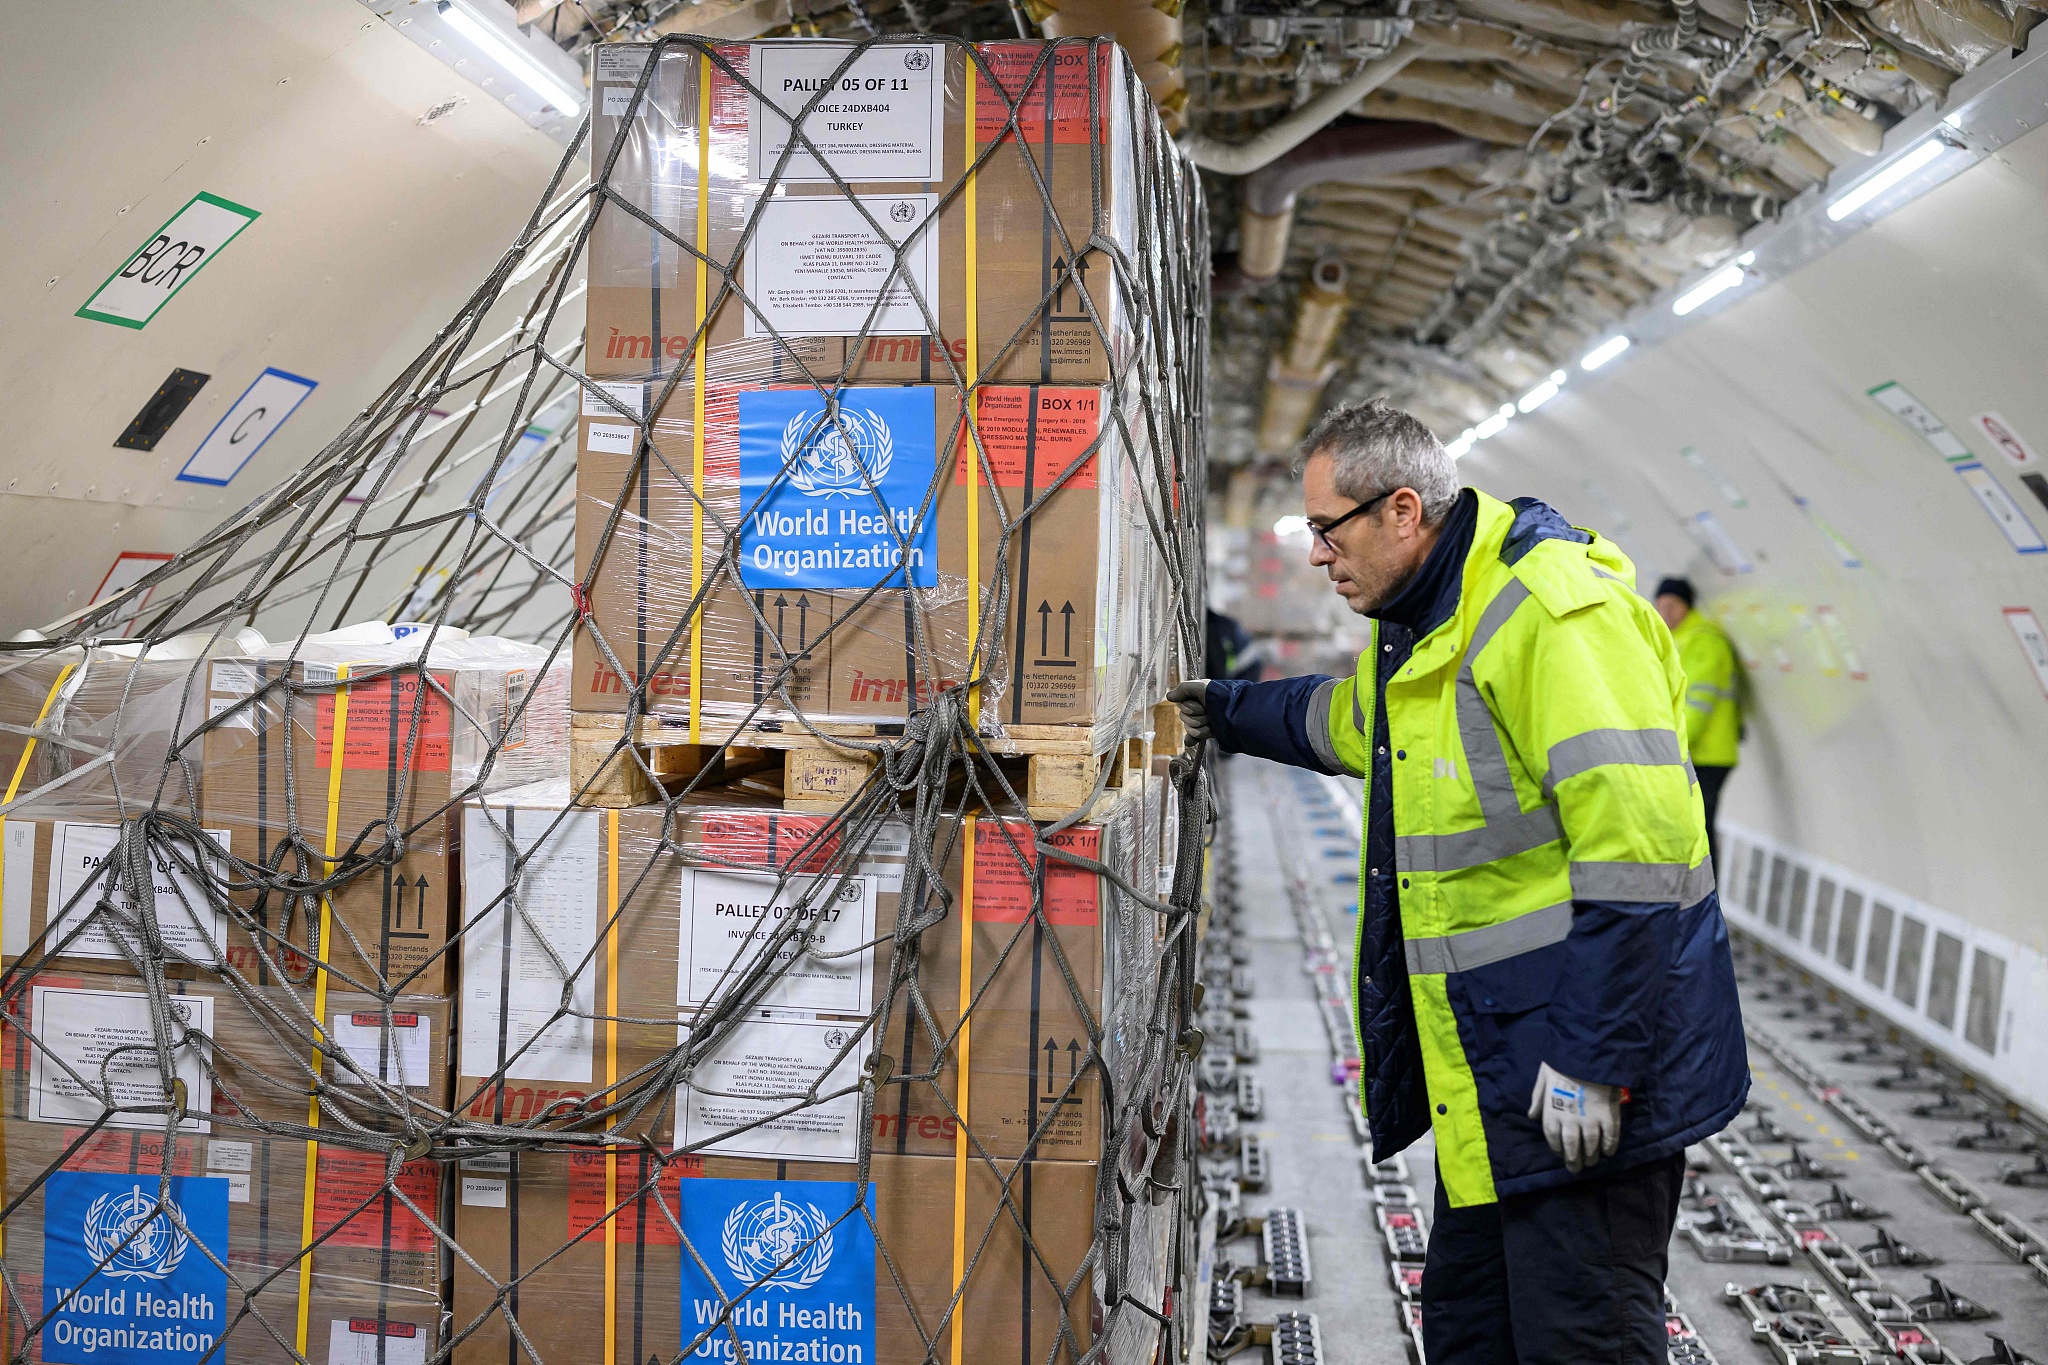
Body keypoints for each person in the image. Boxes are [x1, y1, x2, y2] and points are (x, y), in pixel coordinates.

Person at [1168, 400, 1747, 1364]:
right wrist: (1226, 712)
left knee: (1582, 1338)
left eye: (1327, 529)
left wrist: (1593, 1068)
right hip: (1487, 1086)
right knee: (1473, 1335)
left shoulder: (1553, 614)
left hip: (1577, 1087)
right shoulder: (1422, 624)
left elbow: (1643, 859)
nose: (1317, 554)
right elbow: (1346, 723)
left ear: (1402, 511)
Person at [1653, 577, 1742, 874]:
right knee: (1688, 829)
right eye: (1660, 605)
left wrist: (1670, 747)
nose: (1665, 612)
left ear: (1686, 607)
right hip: (1692, 753)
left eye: (1672, 605)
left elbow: (1698, 705)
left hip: (1707, 756)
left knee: (1699, 829)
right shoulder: (1676, 640)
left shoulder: (1704, 640)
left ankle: (1707, 902)